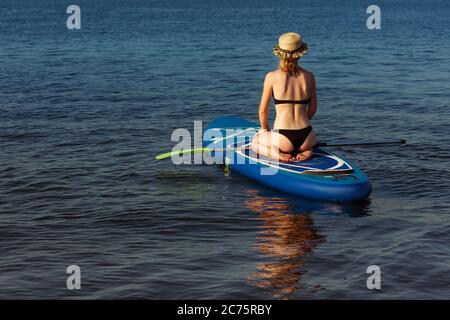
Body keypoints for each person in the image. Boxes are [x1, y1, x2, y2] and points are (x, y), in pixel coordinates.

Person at [251, 32, 317, 162]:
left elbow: (262, 110)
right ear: (300, 52)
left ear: (279, 53)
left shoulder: (272, 76)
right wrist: (302, 123)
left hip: (282, 137)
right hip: (307, 135)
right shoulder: (309, 76)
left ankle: (278, 155)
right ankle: (307, 150)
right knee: (305, 143)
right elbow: (313, 108)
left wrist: (264, 130)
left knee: (255, 142)